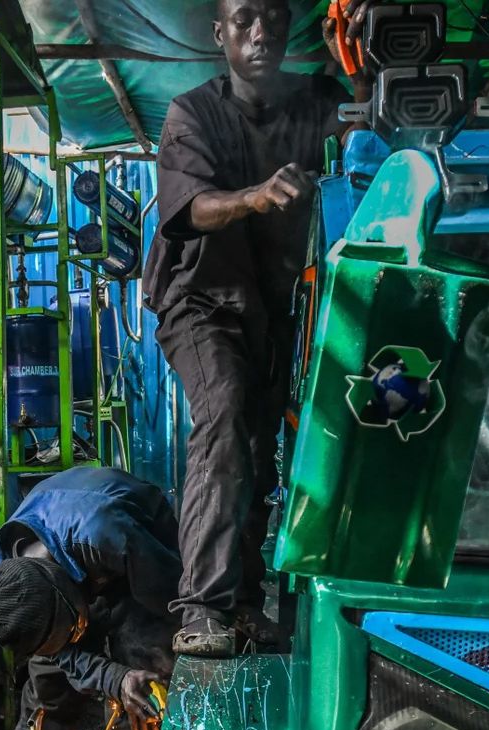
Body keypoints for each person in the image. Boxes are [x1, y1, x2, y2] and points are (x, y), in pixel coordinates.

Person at [144, 0, 352, 656]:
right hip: (199, 301)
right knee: (227, 414)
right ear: (220, 34)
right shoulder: (192, 114)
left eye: (270, 18)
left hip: (271, 305)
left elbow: (372, 127)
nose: (258, 33)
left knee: (263, 446)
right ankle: (201, 605)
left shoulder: (314, 103)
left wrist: (356, 56)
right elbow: (193, 207)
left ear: (289, 27)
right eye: (243, 20)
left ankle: (241, 602)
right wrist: (255, 196)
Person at [0, 467, 179, 730]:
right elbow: (62, 654)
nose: (77, 638)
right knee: (48, 683)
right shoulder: (0, 586)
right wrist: (113, 679)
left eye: (74, 630)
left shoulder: (106, 535)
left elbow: (176, 603)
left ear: (69, 588)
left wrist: (128, 676)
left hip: (139, 553)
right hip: (75, 559)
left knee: (146, 662)